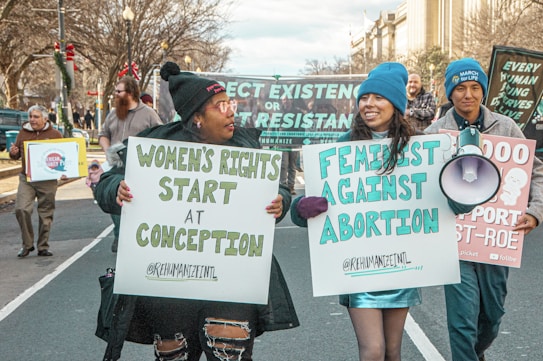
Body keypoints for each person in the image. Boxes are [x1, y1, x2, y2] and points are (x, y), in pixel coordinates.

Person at [95, 61, 299, 361]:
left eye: (230, 103)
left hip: (232, 286)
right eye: (221, 105)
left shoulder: (247, 147)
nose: (231, 111)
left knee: (230, 355)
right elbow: (106, 183)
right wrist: (116, 189)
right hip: (169, 290)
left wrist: (280, 200)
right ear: (198, 117)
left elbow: (276, 190)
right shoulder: (156, 144)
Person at [290, 62, 422, 361]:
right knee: (373, 350)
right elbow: (304, 208)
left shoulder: (419, 148)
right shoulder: (343, 145)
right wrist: (302, 208)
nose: (369, 104)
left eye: (379, 97)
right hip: (358, 266)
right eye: (364, 98)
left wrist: (459, 199)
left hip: (401, 263)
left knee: (392, 351)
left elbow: (444, 203)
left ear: (396, 105)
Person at [424, 58, 543, 361]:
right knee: (462, 321)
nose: (468, 95)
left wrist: (535, 211)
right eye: (460, 88)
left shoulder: (506, 127)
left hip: (496, 239)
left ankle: (475, 353)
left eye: (475, 87)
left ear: (483, 91)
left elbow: (535, 171)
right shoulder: (434, 134)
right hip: (455, 243)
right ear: (450, 93)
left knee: (491, 317)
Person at [97, 76, 162, 252]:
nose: (116, 94)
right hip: (116, 166)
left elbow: (160, 137)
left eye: (119, 91)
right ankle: (119, 235)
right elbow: (103, 134)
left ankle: (133, 237)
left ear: (131, 92)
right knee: (114, 198)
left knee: (133, 201)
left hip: (139, 168)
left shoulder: (149, 114)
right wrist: (107, 150)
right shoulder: (113, 114)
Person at [9, 105, 63, 258]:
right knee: (21, 209)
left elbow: (63, 156)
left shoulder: (55, 134)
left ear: (45, 119)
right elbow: (16, 154)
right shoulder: (23, 133)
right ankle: (27, 244)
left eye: (36, 117)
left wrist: (64, 172)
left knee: (45, 213)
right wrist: (13, 153)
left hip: (47, 180)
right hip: (27, 178)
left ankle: (43, 246)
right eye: (31, 116)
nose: (32, 120)